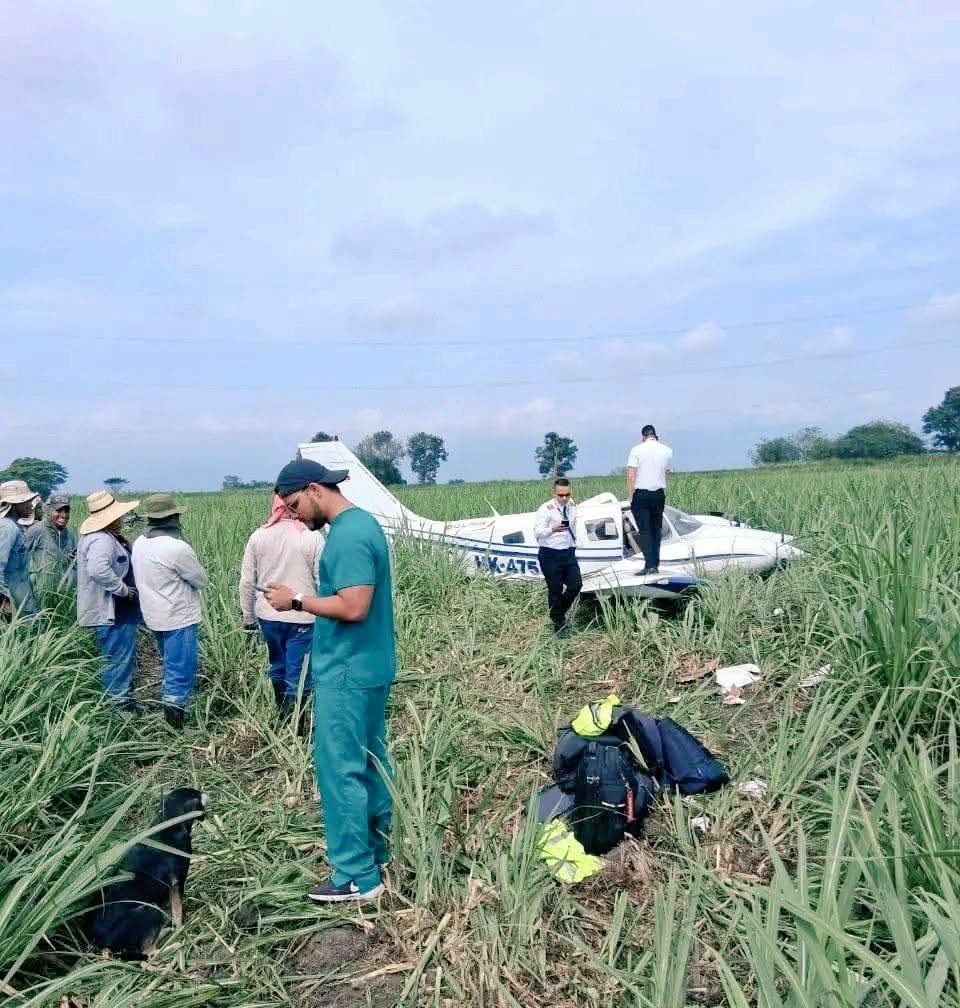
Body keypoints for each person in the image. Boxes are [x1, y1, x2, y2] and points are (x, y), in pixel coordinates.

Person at [264, 458, 395, 904]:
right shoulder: (362, 526)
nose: (295, 514)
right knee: (371, 762)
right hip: (369, 666)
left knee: (340, 770)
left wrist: (296, 599)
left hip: (346, 672)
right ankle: (376, 856)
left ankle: (355, 875)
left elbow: (355, 606)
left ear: (316, 489)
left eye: (295, 503)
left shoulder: (347, 536)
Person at [239, 495, 324, 719]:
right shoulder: (312, 537)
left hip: (268, 614)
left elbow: (247, 582)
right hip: (303, 616)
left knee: (277, 663)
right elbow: (322, 581)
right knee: (300, 670)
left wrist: (248, 619)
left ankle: (282, 715)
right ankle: (297, 725)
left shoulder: (258, 536)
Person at [131, 493, 209, 730]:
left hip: (154, 616)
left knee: (170, 664)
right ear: (173, 517)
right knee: (181, 669)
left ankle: (171, 713)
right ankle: (174, 725)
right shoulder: (177, 548)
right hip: (178, 617)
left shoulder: (139, 543)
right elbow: (201, 580)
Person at [77, 490, 142, 711]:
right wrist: (123, 590)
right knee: (118, 661)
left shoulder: (105, 538)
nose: (122, 518)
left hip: (115, 612)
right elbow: (98, 569)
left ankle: (122, 704)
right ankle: (119, 710)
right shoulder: (101, 540)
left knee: (117, 660)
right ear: (111, 517)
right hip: (112, 613)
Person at [533, 477, 582, 636]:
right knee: (555, 590)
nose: (564, 498)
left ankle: (556, 613)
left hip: (568, 552)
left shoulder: (572, 505)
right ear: (554, 493)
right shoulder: (545, 509)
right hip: (550, 554)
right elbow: (538, 533)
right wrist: (552, 529)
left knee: (575, 585)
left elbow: (574, 526)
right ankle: (559, 624)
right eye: (560, 495)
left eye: (567, 494)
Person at [626, 424, 673, 575]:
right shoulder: (667, 450)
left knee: (645, 531)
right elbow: (664, 470)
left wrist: (630, 495)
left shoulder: (636, 450)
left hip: (642, 494)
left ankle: (649, 565)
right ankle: (655, 565)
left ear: (643, 436)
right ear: (655, 435)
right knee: (656, 531)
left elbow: (631, 475)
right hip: (658, 494)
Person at [0, 480, 39, 617]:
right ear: (14, 504)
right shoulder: (8, 528)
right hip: (14, 604)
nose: (29, 504)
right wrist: (4, 600)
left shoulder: (16, 526)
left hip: (22, 600)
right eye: (25, 501)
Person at [29, 493, 77, 593]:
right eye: (59, 510)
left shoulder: (70, 536)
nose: (64, 515)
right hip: (41, 594)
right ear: (49, 511)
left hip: (64, 595)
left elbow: (73, 566)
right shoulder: (36, 530)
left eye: (67, 511)